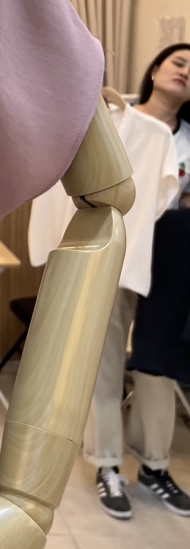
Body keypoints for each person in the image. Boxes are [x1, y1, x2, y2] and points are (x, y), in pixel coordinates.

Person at [87, 43, 190, 519]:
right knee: (105, 355)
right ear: (155, 69)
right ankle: (107, 464)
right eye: (179, 62)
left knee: (157, 361)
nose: (186, 72)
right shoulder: (115, 117)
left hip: (172, 253)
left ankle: (154, 465)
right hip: (118, 244)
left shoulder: (187, 137)